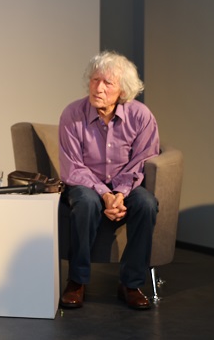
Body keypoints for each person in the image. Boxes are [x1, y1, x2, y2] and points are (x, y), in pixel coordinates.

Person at [58, 51, 160, 310]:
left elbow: (141, 161)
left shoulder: (141, 116)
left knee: (146, 204)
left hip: (127, 184)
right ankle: (76, 281)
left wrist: (120, 194)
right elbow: (73, 166)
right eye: (95, 80)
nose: (98, 88)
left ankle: (130, 284)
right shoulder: (72, 114)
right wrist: (105, 194)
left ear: (123, 90)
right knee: (85, 202)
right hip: (86, 183)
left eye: (107, 83)